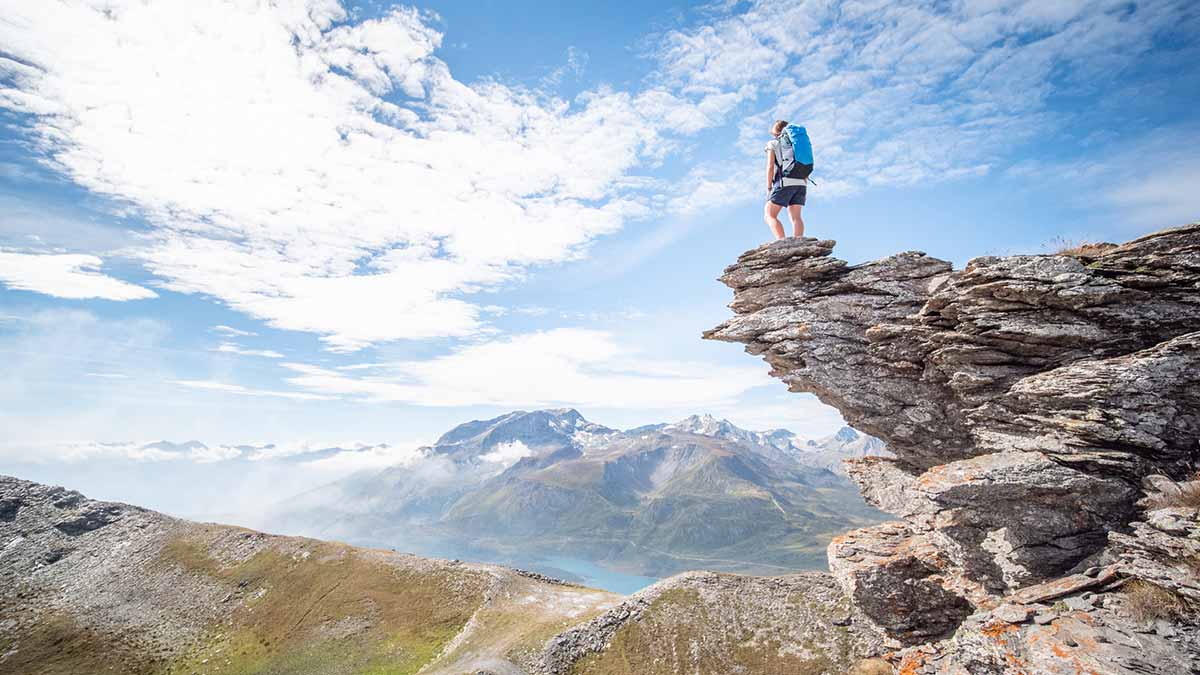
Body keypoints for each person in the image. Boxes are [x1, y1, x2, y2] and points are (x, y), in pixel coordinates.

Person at [764, 119, 807, 240]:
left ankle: (782, 241)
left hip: (784, 182)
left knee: (769, 214)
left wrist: (769, 186)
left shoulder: (773, 144)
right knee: (796, 217)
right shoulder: (796, 144)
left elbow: (770, 166)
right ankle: (799, 242)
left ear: (775, 131)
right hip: (802, 183)